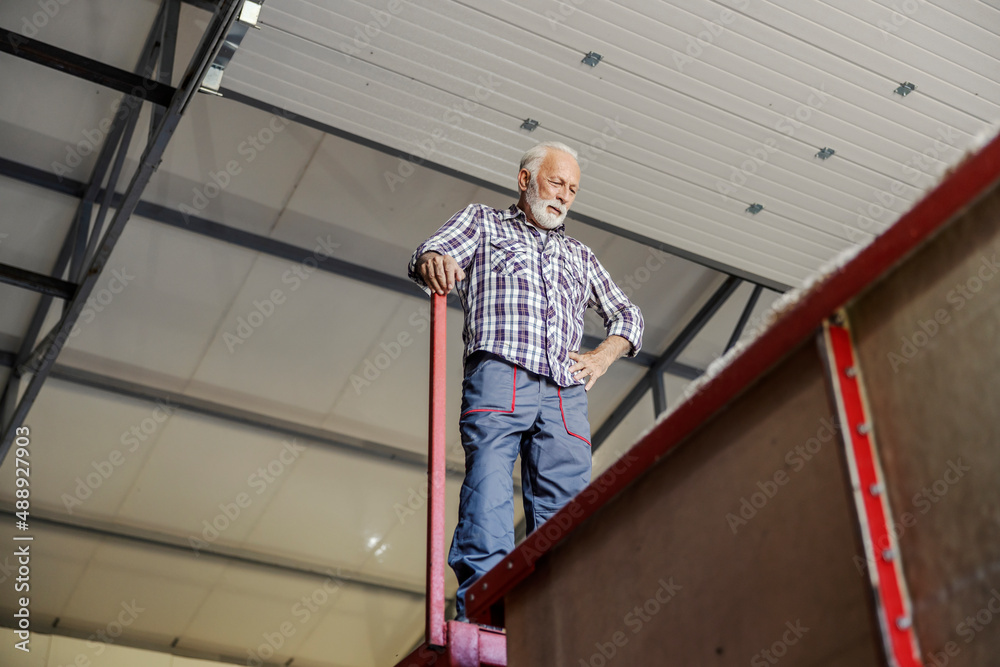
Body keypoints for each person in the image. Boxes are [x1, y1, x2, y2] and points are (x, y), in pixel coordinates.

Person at [407, 141, 643, 620]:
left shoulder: (580, 253)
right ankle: (487, 604)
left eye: (573, 190)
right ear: (525, 180)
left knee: (567, 507)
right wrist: (436, 261)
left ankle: (564, 612)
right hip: (502, 372)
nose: (564, 196)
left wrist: (600, 357)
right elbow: (432, 253)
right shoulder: (483, 221)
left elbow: (629, 315)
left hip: (565, 394)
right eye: (557, 182)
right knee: (489, 482)